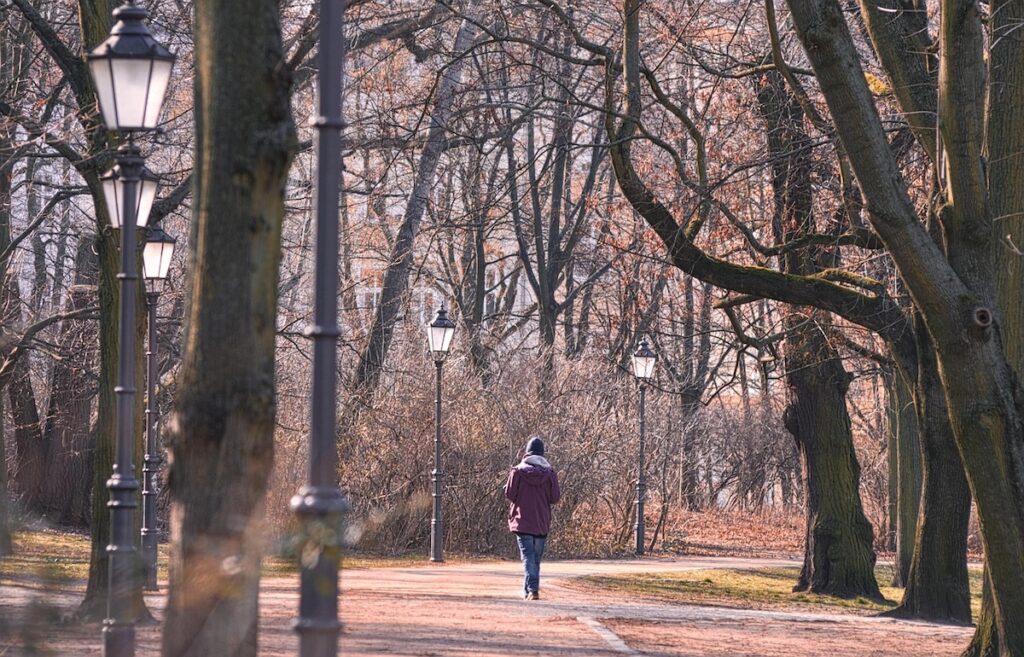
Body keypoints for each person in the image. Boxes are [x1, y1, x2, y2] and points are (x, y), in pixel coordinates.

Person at [504, 436, 561, 600]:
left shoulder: (517, 472)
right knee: (535, 559)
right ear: (542, 453)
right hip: (541, 521)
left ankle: (532, 589)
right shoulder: (550, 473)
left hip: (522, 520)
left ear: (527, 453)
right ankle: (528, 590)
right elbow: (555, 498)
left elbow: (510, 494)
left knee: (528, 557)